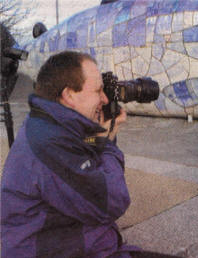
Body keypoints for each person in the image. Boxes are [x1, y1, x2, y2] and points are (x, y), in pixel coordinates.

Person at [1, 51, 180, 258]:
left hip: (78, 244)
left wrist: (98, 138)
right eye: (97, 91)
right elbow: (111, 201)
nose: (104, 99)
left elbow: (87, 170)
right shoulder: (50, 144)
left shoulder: (50, 124)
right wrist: (107, 144)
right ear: (69, 95)